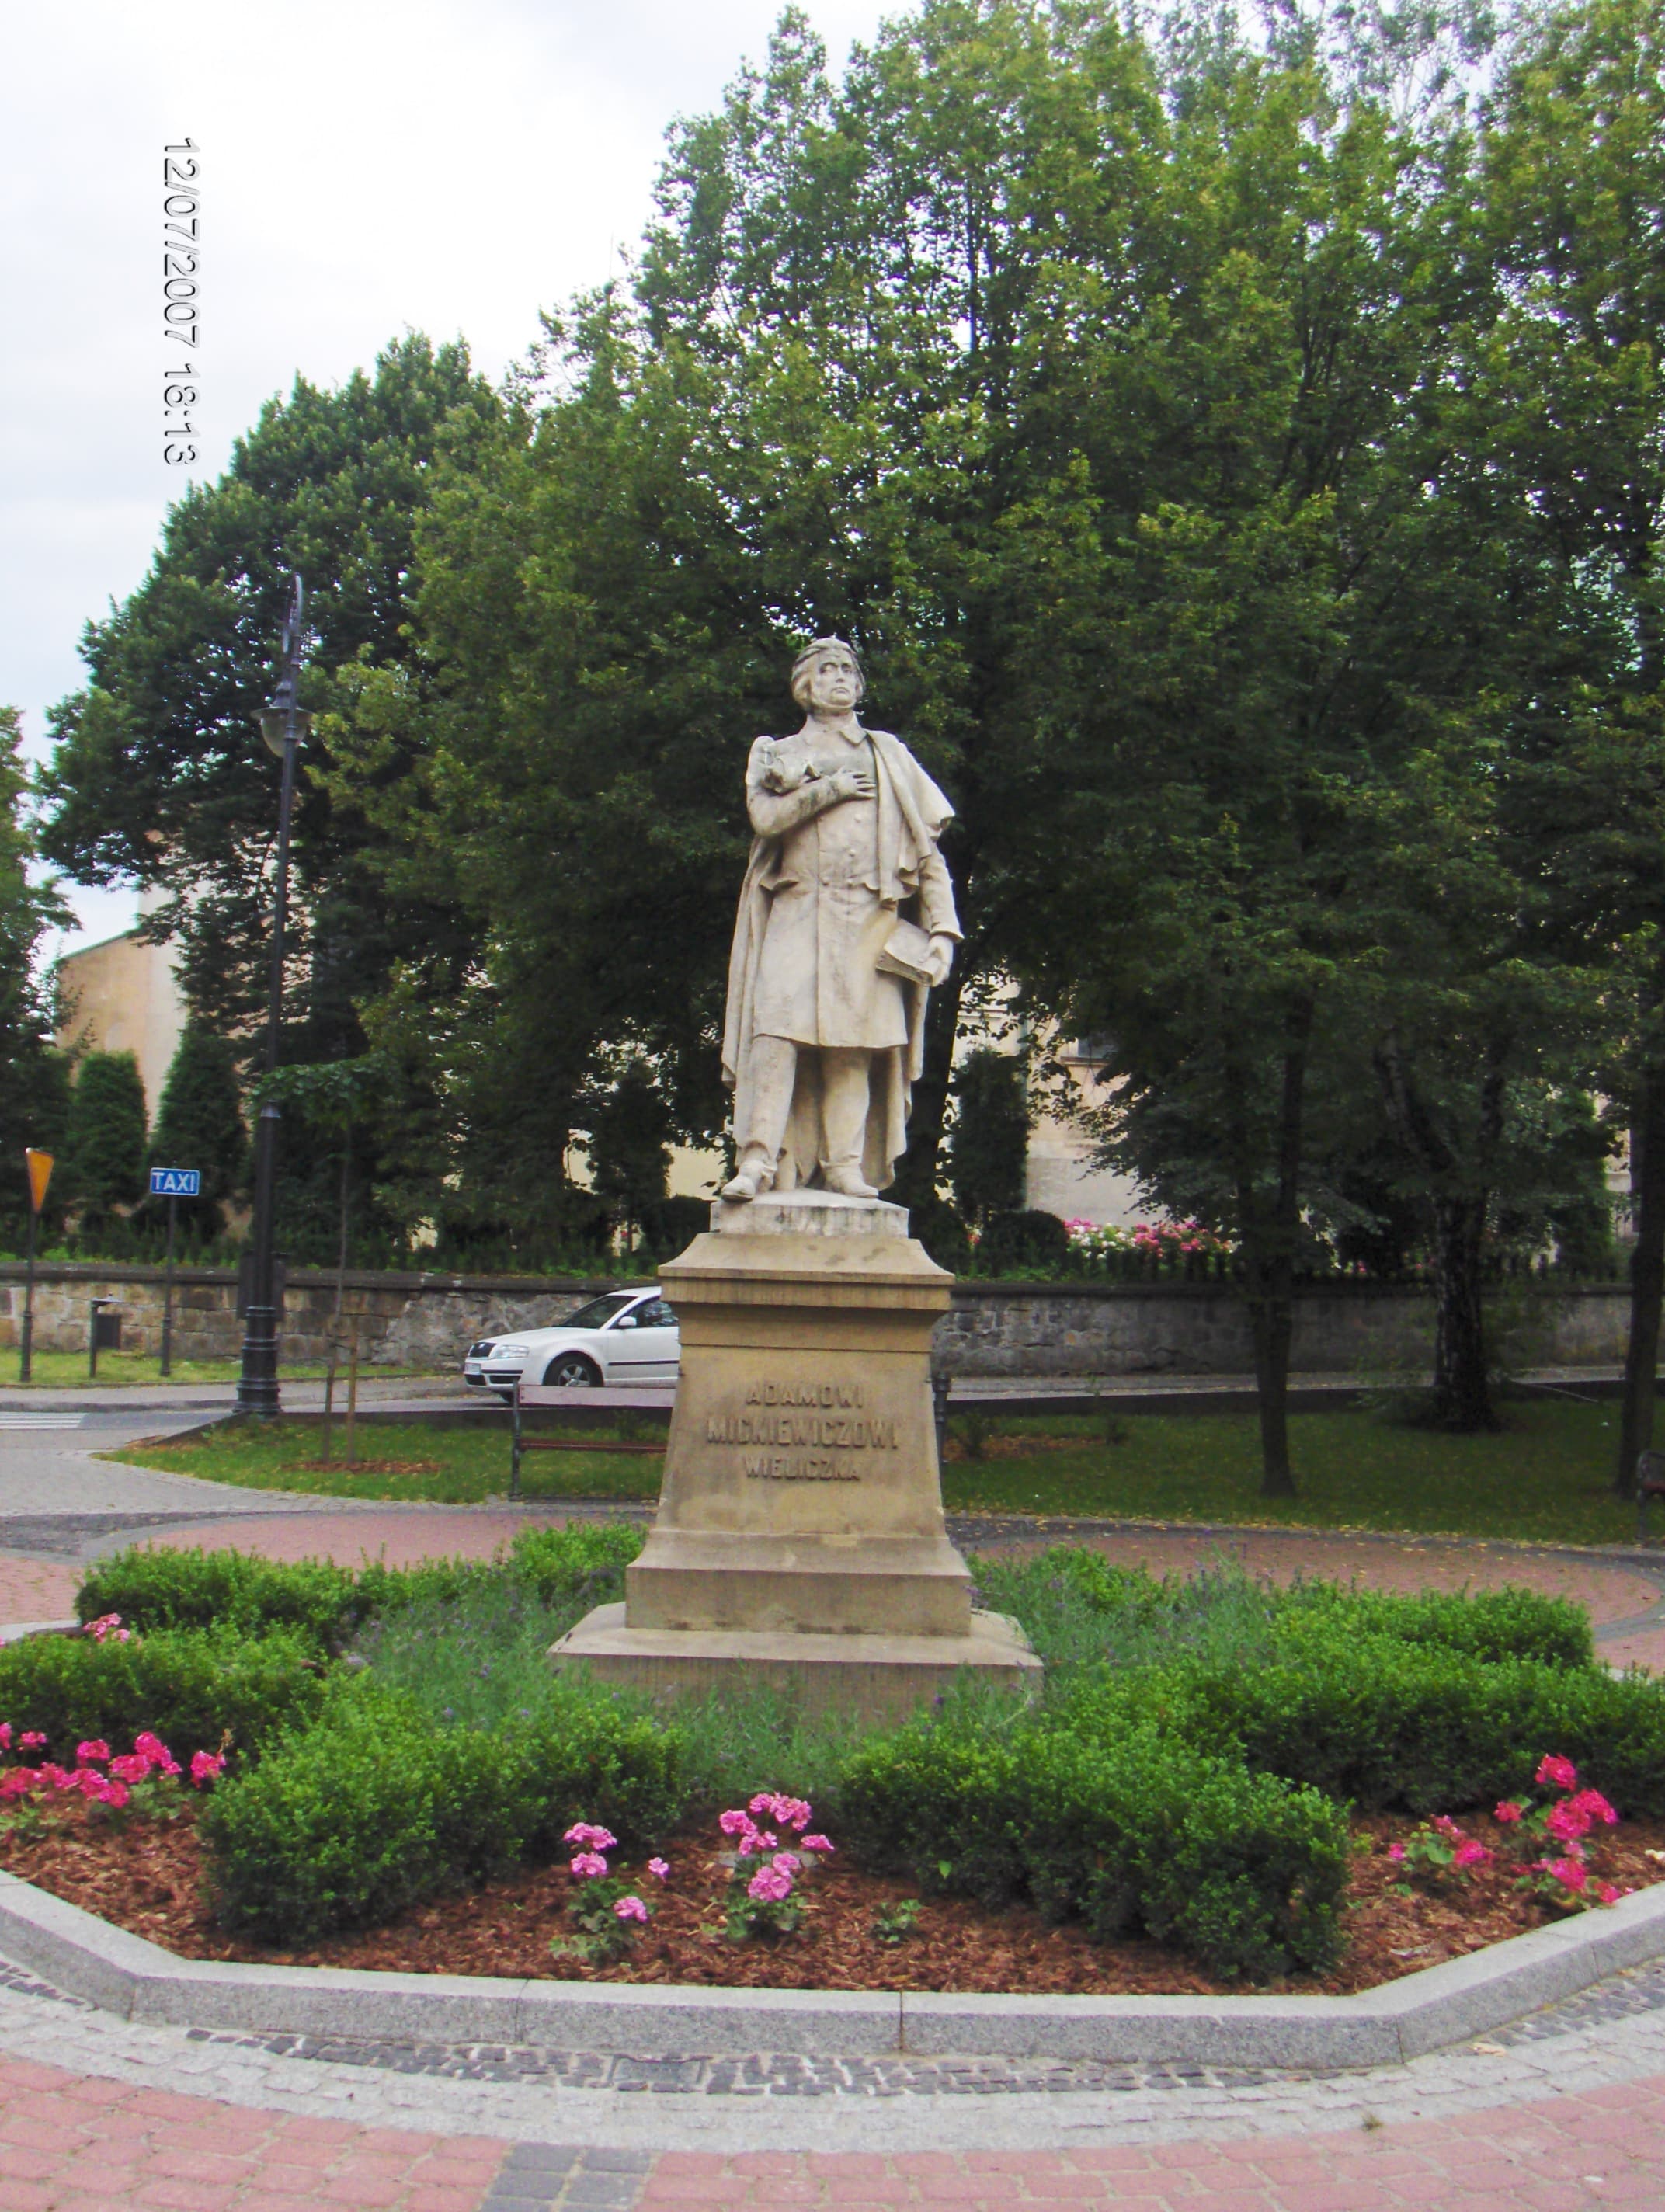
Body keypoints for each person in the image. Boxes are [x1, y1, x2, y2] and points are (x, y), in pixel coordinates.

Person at [720, 638, 959, 1202]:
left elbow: (928, 856)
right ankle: (757, 1161)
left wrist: (944, 931)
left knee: (854, 1048)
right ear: (805, 685)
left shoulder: (889, 755)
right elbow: (765, 818)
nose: (840, 678)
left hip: (867, 918)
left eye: (848, 669)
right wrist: (829, 789)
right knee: (774, 1037)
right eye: (826, 669)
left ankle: (845, 1166)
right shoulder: (775, 752)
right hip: (797, 909)